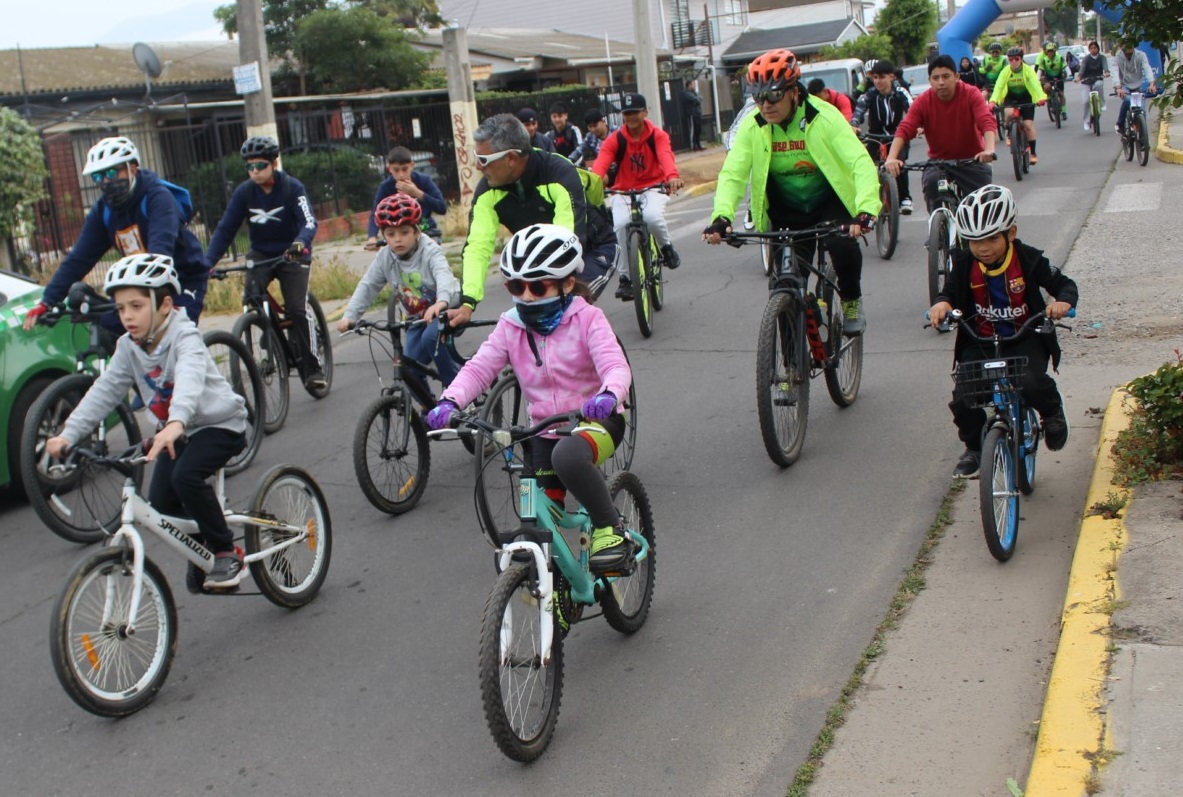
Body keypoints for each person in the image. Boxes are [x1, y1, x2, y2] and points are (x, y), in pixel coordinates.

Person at [426, 224, 634, 577]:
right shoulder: (511, 326)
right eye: (515, 286)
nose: (527, 296)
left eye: (537, 286)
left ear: (566, 283)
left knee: (567, 457)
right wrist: (449, 402)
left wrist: (609, 394)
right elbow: (479, 369)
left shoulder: (587, 319)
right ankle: (556, 599)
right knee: (537, 517)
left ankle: (608, 527)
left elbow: (615, 365)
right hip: (545, 428)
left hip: (596, 420)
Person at [44, 254, 250, 591]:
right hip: (176, 433)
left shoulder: (184, 337)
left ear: (165, 305)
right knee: (162, 502)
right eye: (121, 308)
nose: (127, 316)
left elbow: (188, 379)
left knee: (187, 477)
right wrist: (69, 433)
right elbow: (105, 390)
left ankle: (226, 550)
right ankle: (202, 551)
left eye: (136, 306)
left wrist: (176, 421)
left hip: (219, 424)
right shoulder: (128, 348)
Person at [703, 48, 881, 336]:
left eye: (773, 95)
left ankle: (851, 301)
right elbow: (733, 173)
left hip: (828, 201)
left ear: (794, 91)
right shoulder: (754, 125)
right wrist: (721, 217)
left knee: (843, 246)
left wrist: (866, 210)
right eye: (758, 97)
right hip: (786, 209)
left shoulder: (823, 116)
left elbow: (859, 162)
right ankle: (788, 379)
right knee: (783, 288)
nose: (766, 105)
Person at [927, 185, 1077, 478]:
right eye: (974, 241)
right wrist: (941, 304)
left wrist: (1062, 302)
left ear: (1011, 233)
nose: (983, 248)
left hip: (1025, 337)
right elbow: (949, 293)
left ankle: (1052, 413)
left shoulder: (1028, 259)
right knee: (963, 399)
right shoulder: (965, 263)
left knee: (1032, 382)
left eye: (991, 239)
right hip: (980, 341)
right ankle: (975, 447)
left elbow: (1063, 284)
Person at [22, 136, 208, 332]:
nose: (105, 181)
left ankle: (192, 361)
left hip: (183, 275)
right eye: (98, 177)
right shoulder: (104, 211)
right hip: (139, 282)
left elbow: (160, 251)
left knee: (172, 333)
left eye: (111, 173)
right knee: (107, 329)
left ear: (133, 169)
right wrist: (47, 301)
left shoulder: (158, 198)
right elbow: (79, 258)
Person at [450, 113, 618, 327]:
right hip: (540, 261)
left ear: (511, 158)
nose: (477, 167)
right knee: (530, 320)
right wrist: (467, 303)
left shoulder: (558, 173)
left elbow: (567, 241)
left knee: (570, 311)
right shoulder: (487, 191)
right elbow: (478, 246)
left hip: (590, 249)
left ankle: (604, 353)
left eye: (483, 160)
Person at [202, 135, 325, 391]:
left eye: (260, 166)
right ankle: (270, 340)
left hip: (293, 252)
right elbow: (226, 229)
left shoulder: (292, 187)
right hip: (261, 255)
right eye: (249, 167)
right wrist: (207, 263)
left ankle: (313, 367)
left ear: (274, 162)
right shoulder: (244, 193)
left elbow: (309, 221)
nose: (255, 172)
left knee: (295, 307)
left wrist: (300, 242)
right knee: (252, 298)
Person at [338, 195, 461, 384]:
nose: (397, 240)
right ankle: (427, 410)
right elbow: (368, 285)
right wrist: (350, 316)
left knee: (430, 339)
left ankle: (459, 391)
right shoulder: (385, 256)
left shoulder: (430, 250)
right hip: (415, 320)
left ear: (416, 231)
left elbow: (443, 275)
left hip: (446, 312)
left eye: (404, 232)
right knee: (408, 368)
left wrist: (441, 302)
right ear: (383, 235)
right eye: (390, 234)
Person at [589, 92, 684, 302]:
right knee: (621, 225)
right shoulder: (615, 140)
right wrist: (593, 183)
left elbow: (666, 157)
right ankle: (625, 278)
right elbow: (601, 164)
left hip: (653, 186)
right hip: (623, 190)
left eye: (635, 112)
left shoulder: (657, 135)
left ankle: (666, 248)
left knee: (652, 218)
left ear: (645, 112)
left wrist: (672, 177)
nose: (631, 117)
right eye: (627, 113)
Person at [884, 55, 997, 215]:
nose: (941, 82)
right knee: (931, 184)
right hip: (939, 162)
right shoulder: (923, 100)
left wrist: (989, 149)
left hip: (972, 159)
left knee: (982, 210)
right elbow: (906, 127)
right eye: (935, 78)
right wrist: (892, 157)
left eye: (946, 76)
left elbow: (985, 120)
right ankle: (938, 231)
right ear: (930, 80)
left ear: (957, 76)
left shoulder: (971, 94)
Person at [851, 59, 914, 215]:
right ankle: (872, 200)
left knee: (900, 165)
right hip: (875, 136)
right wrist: (854, 124)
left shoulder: (900, 92)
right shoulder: (870, 94)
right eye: (875, 78)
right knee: (868, 167)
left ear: (891, 77)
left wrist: (917, 126)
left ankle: (905, 197)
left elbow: (913, 110)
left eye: (882, 77)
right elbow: (859, 109)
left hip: (897, 135)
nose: (878, 81)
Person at [364, 146, 446, 249]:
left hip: (426, 231)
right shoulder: (386, 187)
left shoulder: (424, 181)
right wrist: (372, 237)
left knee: (431, 250)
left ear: (412, 165)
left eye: (404, 169)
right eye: (396, 170)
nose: (401, 174)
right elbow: (376, 212)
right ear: (389, 169)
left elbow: (442, 208)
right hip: (399, 234)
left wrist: (417, 193)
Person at [989, 47, 1047, 165]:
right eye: (1011, 59)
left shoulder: (1028, 70)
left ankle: (1033, 153)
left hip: (1026, 97)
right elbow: (999, 86)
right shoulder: (1005, 71)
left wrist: (1041, 97)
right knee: (1009, 113)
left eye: (1016, 59)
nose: (1014, 61)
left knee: (1028, 125)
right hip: (1011, 97)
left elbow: (1035, 84)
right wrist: (993, 101)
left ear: (1021, 59)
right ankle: (1009, 133)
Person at [1114, 42, 1157, 136]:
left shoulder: (1140, 55)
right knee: (1128, 100)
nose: (1128, 54)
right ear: (1121, 48)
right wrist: (1118, 87)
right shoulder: (1117, 57)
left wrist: (1151, 83)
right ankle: (1120, 123)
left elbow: (1147, 68)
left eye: (1130, 51)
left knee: (1141, 110)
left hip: (1137, 85)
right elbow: (1114, 71)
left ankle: (1142, 138)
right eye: (1126, 52)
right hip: (1123, 86)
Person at [1077, 40, 1111, 130]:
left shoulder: (1102, 57)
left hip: (1097, 78)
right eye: (1091, 48)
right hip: (1086, 81)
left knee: (1099, 85)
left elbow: (1105, 67)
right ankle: (1087, 121)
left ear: (1098, 49)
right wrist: (1079, 77)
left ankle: (1102, 103)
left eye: (1095, 48)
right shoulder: (1086, 59)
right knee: (1085, 101)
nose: (1093, 50)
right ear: (1089, 49)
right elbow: (1082, 69)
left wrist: (1107, 72)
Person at [1035, 41, 1070, 121]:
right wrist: (1037, 78)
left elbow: (1065, 66)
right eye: (1048, 51)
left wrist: (1069, 74)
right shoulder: (1044, 60)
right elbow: (1040, 70)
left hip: (1058, 76)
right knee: (1047, 87)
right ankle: (1050, 97)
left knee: (1061, 94)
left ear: (1054, 51)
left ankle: (1064, 112)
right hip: (1049, 77)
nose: (1050, 53)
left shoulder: (1059, 57)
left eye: (1051, 51)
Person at [682, 82, 704, 150]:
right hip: (692, 114)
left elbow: (700, 98)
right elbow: (696, 99)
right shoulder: (686, 93)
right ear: (689, 85)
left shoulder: (693, 92)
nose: (693, 86)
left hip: (697, 113)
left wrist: (697, 99)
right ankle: (693, 145)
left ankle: (698, 144)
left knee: (698, 130)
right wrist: (697, 99)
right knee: (694, 130)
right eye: (692, 84)